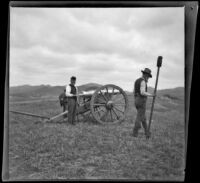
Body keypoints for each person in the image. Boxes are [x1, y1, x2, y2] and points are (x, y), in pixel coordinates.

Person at [133, 68, 155, 138]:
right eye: (148, 76)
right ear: (145, 75)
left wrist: (136, 98)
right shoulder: (143, 82)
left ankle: (147, 132)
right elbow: (142, 92)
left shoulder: (137, 80)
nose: (148, 78)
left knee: (143, 117)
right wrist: (151, 95)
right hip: (141, 100)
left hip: (136, 99)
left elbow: (134, 91)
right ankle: (135, 133)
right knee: (139, 117)